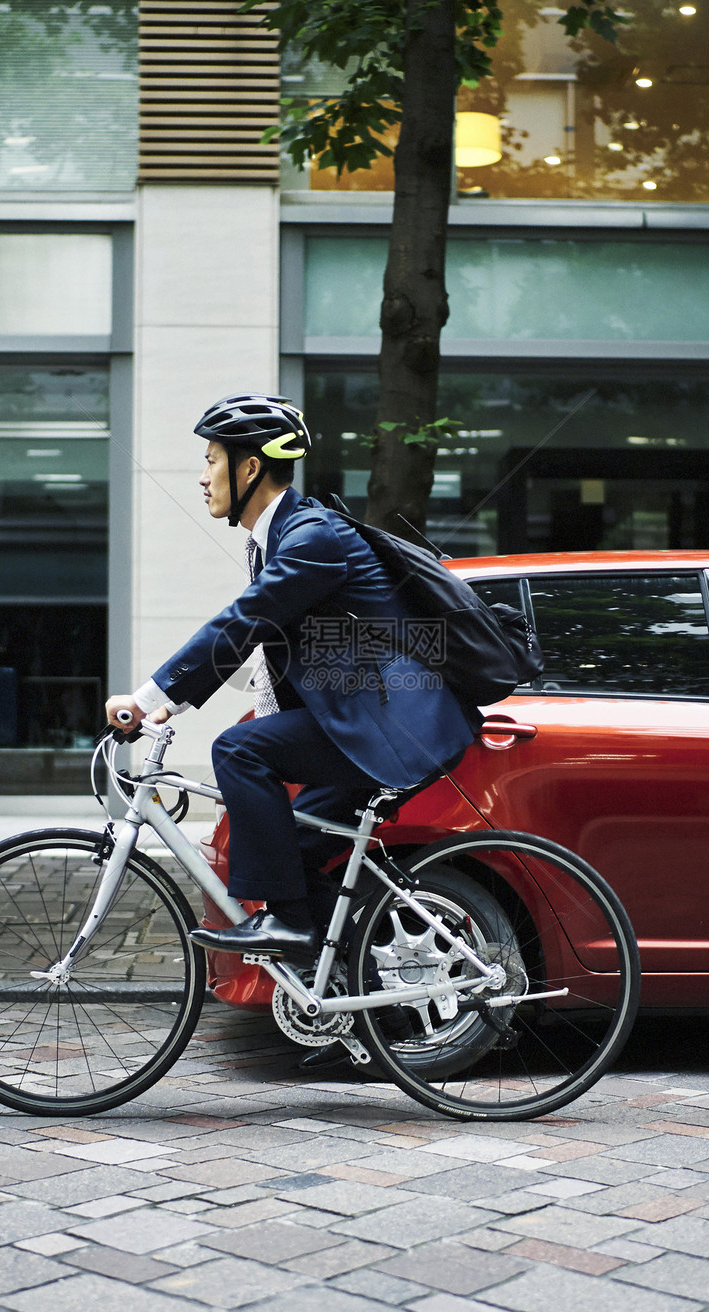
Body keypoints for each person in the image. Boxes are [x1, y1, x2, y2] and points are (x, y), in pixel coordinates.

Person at [105, 392, 480, 963]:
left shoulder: (312, 539)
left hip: (390, 728)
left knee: (239, 751)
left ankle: (286, 924)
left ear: (249, 467)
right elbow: (261, 635)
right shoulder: (281, 540)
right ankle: (354, 991)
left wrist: (151, 695)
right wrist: (169, 707)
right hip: (365, 724)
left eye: (211, 460)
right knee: (300, 853)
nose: (202, 477)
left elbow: (245, 621)